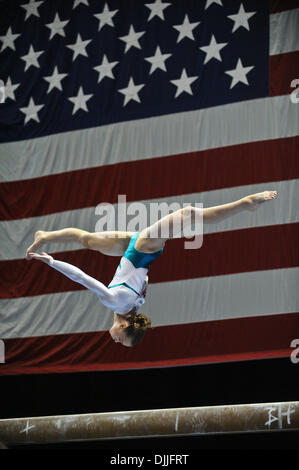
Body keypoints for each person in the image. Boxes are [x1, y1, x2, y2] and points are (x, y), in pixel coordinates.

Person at [26, 190, 277, 347]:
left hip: (133, 249)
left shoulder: (136, 306)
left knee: (86, 239)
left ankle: (46, 234)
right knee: (188, 215)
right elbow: (81, 277)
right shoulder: (114, 302)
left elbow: (140, 280)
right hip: (144, 246)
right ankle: (245, 204)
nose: (113, 340)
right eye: (119, 340)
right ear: (124, 327)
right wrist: (51, 262)